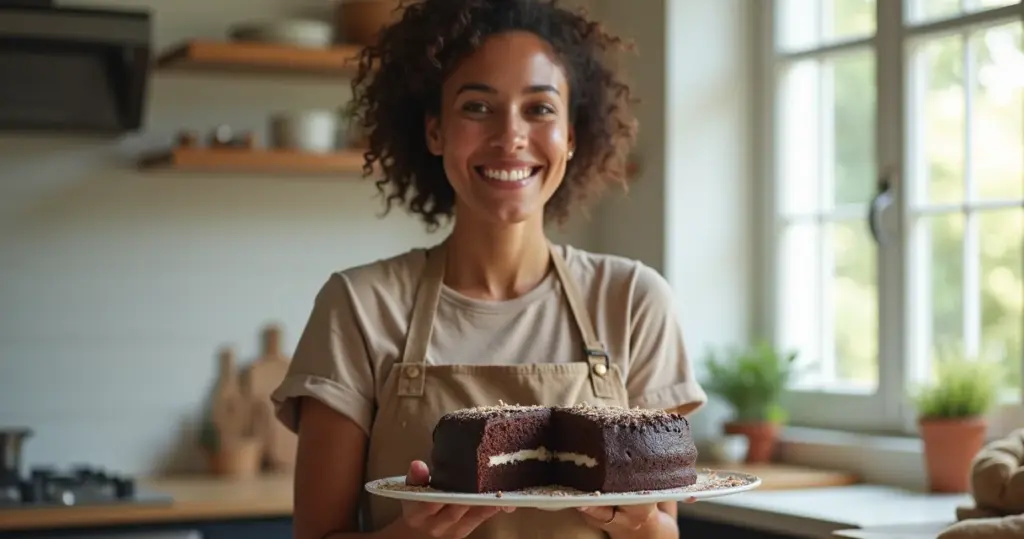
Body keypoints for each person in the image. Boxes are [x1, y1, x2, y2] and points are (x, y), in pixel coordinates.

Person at [270, 0, 708, 538]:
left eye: (540, 109)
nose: (510, 135)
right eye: (477, 107)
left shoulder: (634, 301)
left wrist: (638, 523)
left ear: (571, 136)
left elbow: (666, 533)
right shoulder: (359, 306)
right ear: (434, 131)